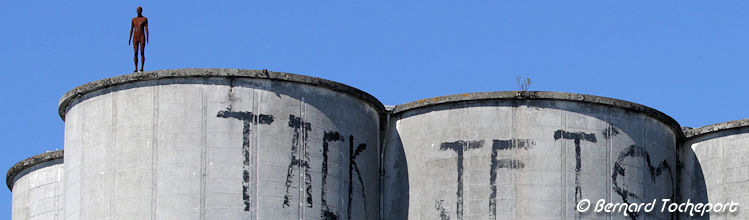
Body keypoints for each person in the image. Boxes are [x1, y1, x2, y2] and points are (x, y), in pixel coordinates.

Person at [128, 6, 149, 72]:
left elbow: (146, 28)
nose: (138, 11)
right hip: (135, 36)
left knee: (142, 52)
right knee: (135, 52)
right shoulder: (133, 19)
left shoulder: (144, 19)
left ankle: (142, 67)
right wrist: (130, 38)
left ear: (141, 11)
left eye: (139, 10)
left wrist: (147, 36)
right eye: (137, 10)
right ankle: (136, 68)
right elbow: (131, 29)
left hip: (142, 36)